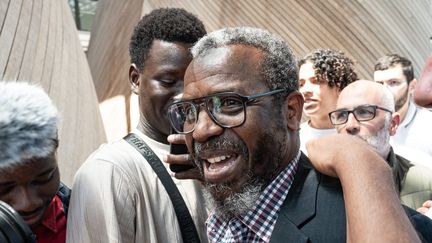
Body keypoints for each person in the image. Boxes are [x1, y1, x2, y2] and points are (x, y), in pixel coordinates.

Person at [166, 26, 431, 242]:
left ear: (291, 111)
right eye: (190, 111)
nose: (201, 130)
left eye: (230, 104)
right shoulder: (219, 214)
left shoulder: (381, 226)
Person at [66, 8, 208, 243]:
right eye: (168, 81)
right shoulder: (109, 171)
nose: (183, 96)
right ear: (135, 79)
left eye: (192, 83)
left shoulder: (218, 162)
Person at [329, 80, 432, 209]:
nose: (350, 125)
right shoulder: (320, 182)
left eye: (365, 112)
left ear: (393, 124)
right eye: (341, 115)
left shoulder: (426, 184)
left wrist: (423, 226)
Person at [0, 81, 70, 243]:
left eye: (43, 179)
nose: (27, 204)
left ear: (56, 149)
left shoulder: (82, 212)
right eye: (4, 188)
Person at [298, 49, 357, 153]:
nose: (305, 90)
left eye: (316, 81)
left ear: (340, 86)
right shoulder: (291, 139)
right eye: (301, 84)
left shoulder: (359, 134)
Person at [374, 54, 432, 157]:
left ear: (412, 86)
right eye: (379, 84)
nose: (384, 90)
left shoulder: (428, 126)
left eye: (393, 82)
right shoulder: (366, 123)